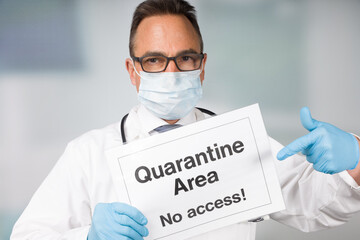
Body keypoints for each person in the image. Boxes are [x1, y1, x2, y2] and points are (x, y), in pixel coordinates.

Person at [11, 0, 360, 239]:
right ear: (133, 71)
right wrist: (88, 235)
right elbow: (28, 235)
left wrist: (357, 159)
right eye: (154, 60)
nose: (171, 71)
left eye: (185, 58)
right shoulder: (87, 154)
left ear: (202, 66)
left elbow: (313, 207)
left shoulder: (240, 143)